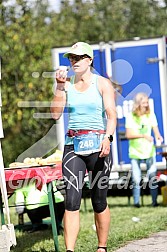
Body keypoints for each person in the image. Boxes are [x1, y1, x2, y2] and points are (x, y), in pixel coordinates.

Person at [50, 42, 117, 252]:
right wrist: (60, 87)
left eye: (78, 58)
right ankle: (69, 250)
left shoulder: (103, 84)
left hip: (99, 146)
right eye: (71, 57)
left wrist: (108, 138)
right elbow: (55, 114)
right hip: (73, 146)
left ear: (89, 60)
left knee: (99, 200)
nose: (74, 61)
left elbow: (112, 116)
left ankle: (101, 247)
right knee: (71, 199)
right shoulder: (66, 84)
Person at [125, 92, 163, 207]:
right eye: (144, 103)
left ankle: (154, 202)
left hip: (149, 151)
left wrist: (158, 137)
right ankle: (136, 203)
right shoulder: (131, 116)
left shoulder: (150, 115)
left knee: (152, 177)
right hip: (135, 152)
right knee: (136, 179)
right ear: (138, 104)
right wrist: (143, 136)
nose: (146, 105)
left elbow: (156, 130)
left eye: (147, 102)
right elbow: (128, 135)